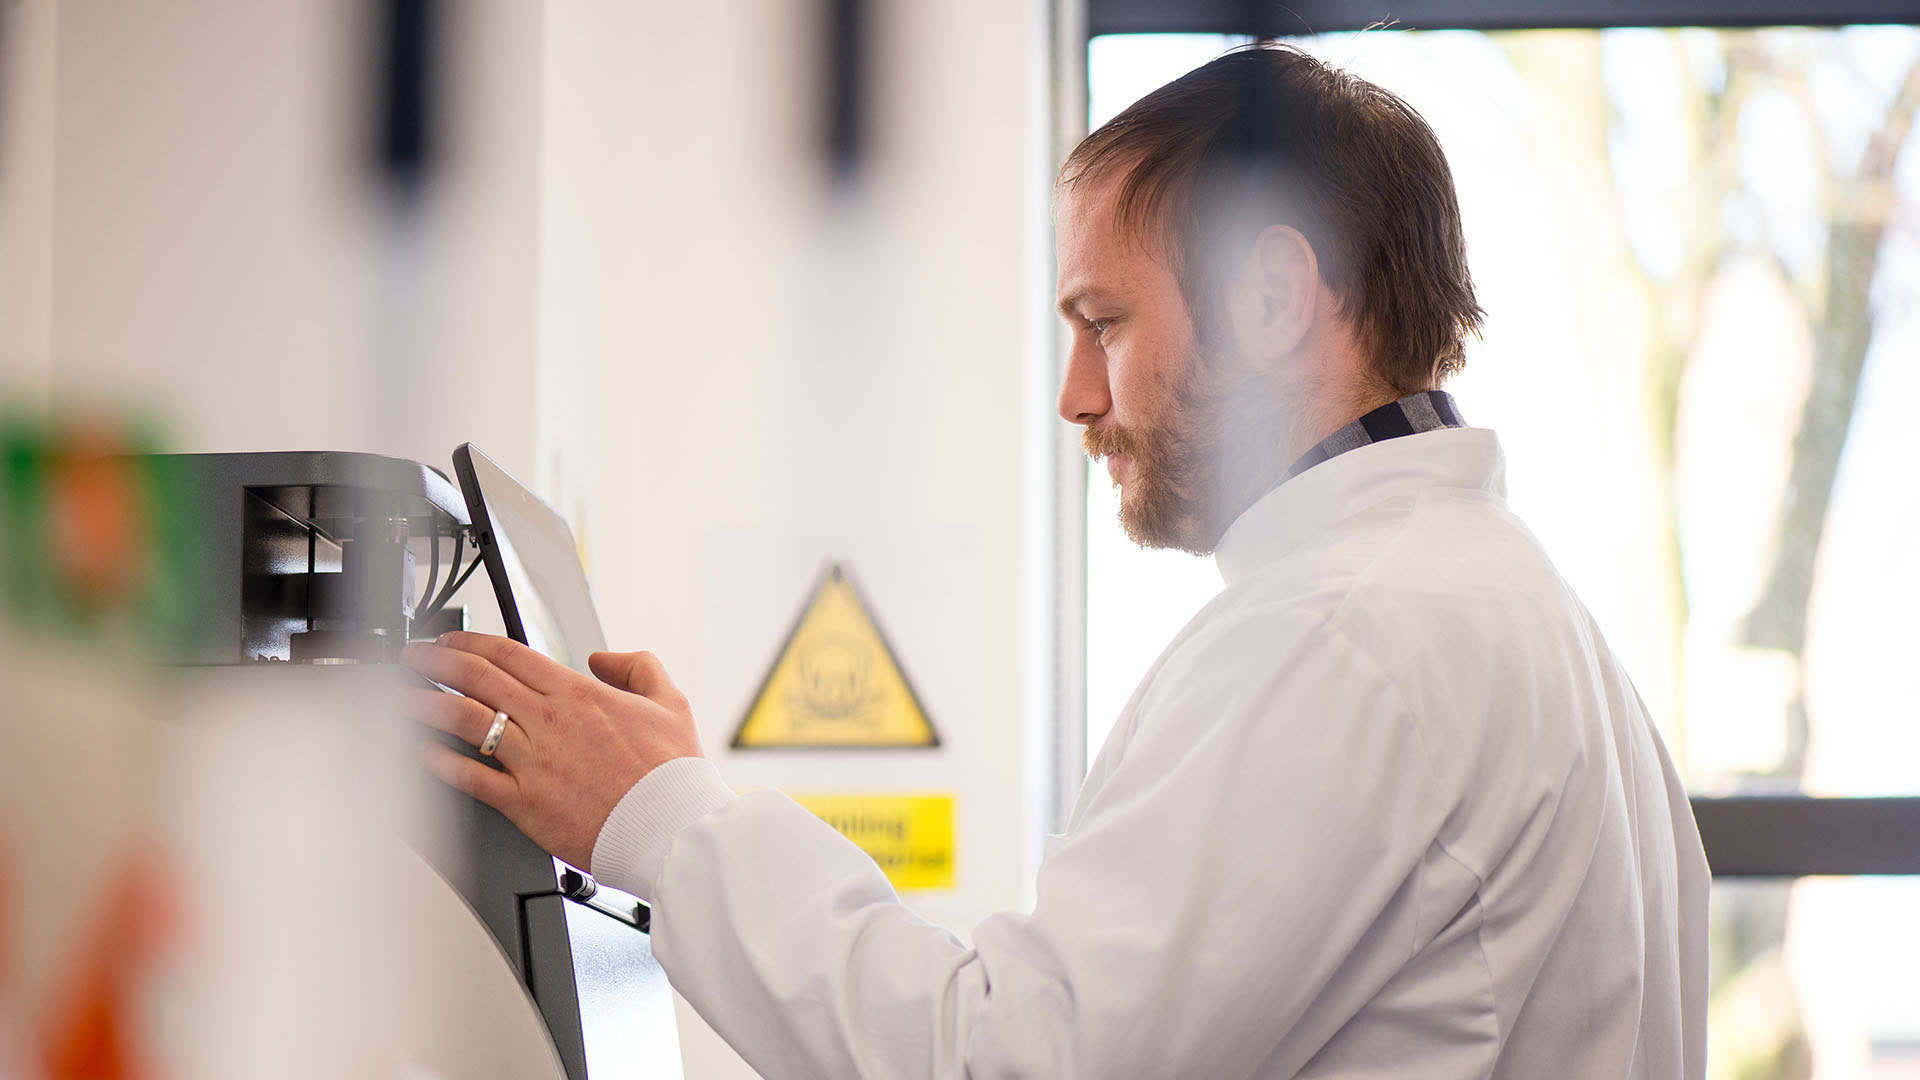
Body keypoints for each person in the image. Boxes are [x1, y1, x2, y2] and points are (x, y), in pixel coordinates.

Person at [402, 45, 1707, 1079]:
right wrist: (683, 801)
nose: (1077, 394)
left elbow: (1013, 1059)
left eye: (1106, 321)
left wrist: (664, 823)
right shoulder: (1517, 619)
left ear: (1272, 296)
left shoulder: (1347, 633)